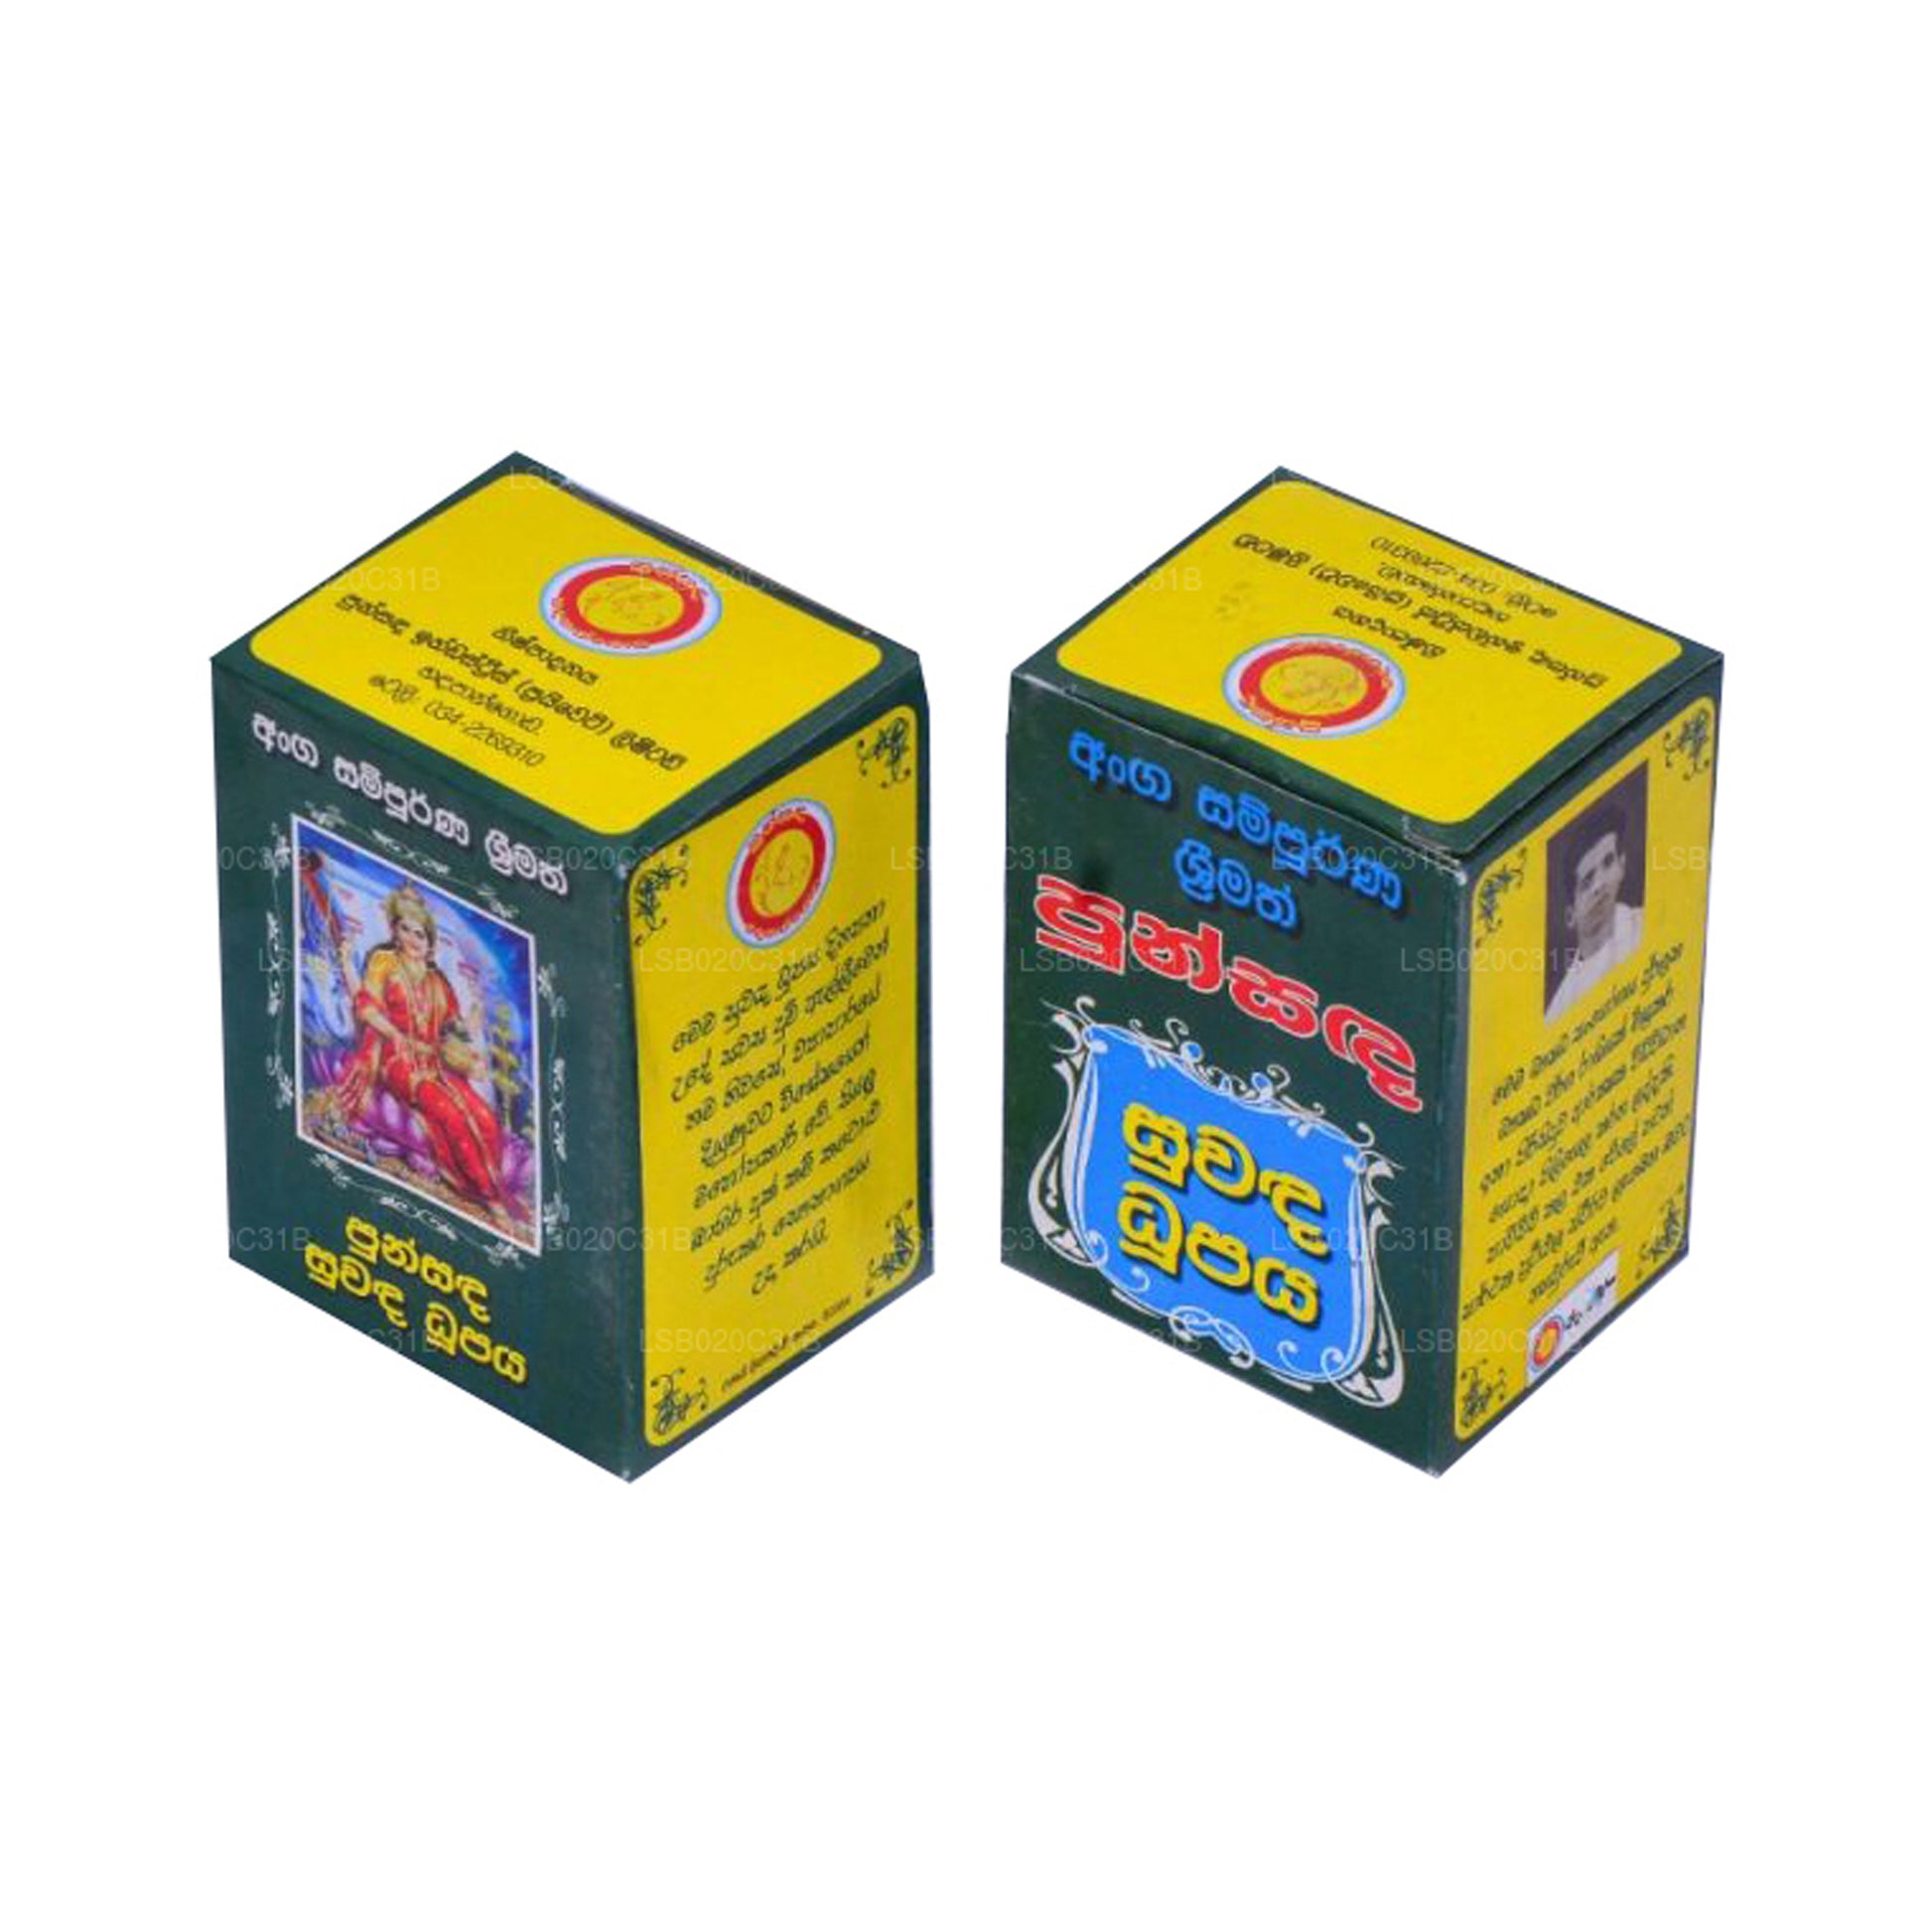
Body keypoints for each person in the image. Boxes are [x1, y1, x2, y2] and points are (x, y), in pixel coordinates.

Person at [335, 885, 517, 1235]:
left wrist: (476, 1014)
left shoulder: (438, 982)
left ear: (431, 943)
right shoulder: (384, 962)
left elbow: (455, 1030)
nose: (412, 938)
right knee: (450, 1114)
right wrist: (395, 1034)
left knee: (483, 1116)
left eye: (419, 933)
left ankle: (486, 1188)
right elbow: (366, 1007)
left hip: (436, 1064)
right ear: (394, 931)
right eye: (405, 929)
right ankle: (491, 1201)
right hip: (397, 1060)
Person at [1546, 796, 1643, 1023]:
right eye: (1587, 881)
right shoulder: (1560, 1010)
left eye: (1608, 863)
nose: (1599, 884)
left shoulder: (1648, 926)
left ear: (1622, 865)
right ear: (1570, 915)